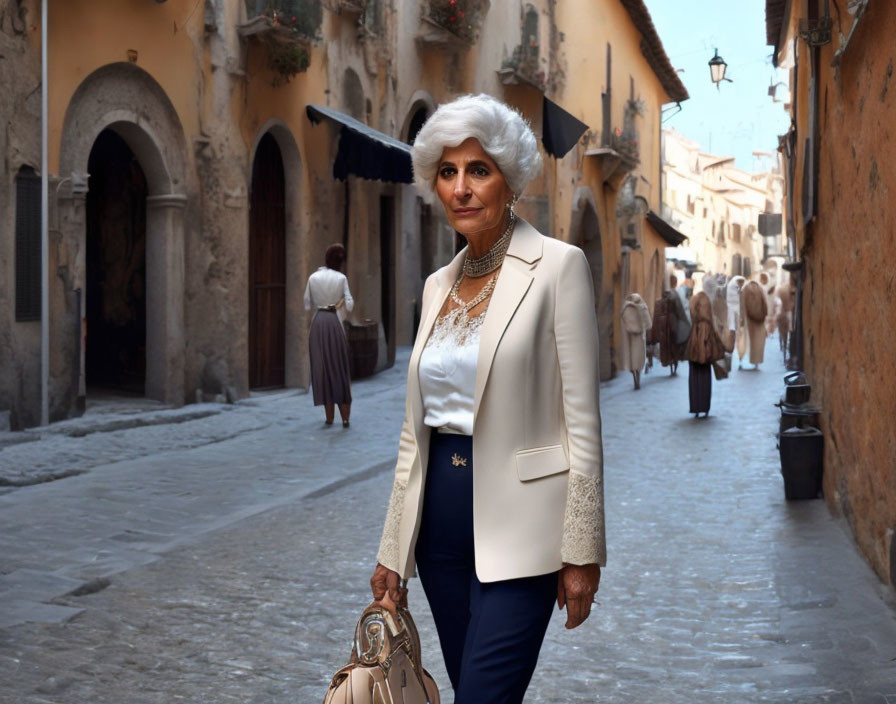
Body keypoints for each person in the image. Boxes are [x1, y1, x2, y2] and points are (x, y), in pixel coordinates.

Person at [370, 94, 605, 703]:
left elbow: (582, 421)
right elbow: (411, 433)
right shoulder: (436, 286)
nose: (462, 188)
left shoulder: (558, 268)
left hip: (525, 528)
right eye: (448, 173)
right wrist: (393, 550)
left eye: (479, 170)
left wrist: (581, 551)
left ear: (510, 179)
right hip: (440, 534)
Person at [303, 243, 353, 427]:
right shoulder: (341, 278)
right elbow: (349, 304)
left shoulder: (313, 277)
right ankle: (345, 417)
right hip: (333, 321)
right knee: (339, 367)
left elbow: (307, 304)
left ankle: (329, 417)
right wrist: (339, 304)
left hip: (318, 323)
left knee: (321, 368)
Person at [685, 290, 727, 418]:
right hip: (706, 344)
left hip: (694, 343)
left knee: (694, 377)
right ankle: (705, 407)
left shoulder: (695, 318)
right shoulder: (708, 322)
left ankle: (696, 407)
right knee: (705, 377)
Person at [620, 293, 652, 390]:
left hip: (628, 336)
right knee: (638, 358)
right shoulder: (642, 307)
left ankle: (634, 378)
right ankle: (637, 378)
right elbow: (649, 324)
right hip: (639, 336)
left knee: (631, 358)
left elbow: (623, 321)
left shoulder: (625, 308)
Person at [740, 280, 768, 370]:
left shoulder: (745, 289)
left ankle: (743, 361)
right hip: (760, 318)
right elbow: (765, 303)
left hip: (749, 319)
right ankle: (756, 363)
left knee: (748, 340)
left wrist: (742, 319)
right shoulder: (760, 288)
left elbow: (742, 305)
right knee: (758, 341)